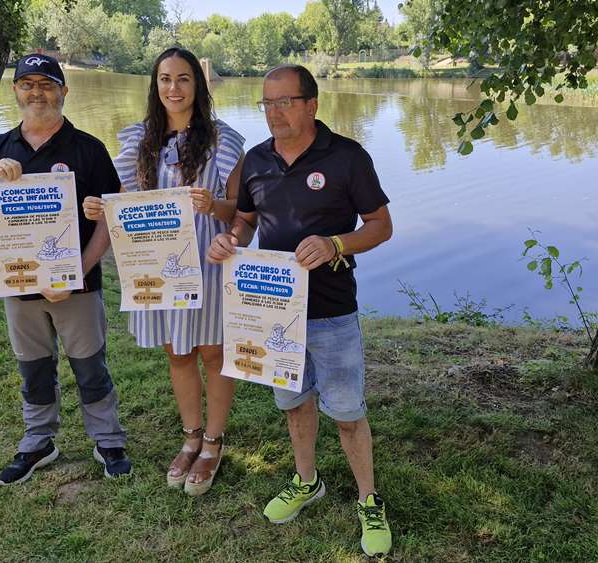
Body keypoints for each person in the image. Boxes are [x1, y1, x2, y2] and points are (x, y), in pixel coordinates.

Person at [207, 65, 394, 556]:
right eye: (266, 104)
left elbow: (380, 225)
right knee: (294, 404)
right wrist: (231, 240)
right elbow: (245, 221)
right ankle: (307, 481)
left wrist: (336, 243)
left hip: (331, 309)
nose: (274, 113)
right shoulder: (255, 160)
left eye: (284, 102)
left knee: (348, 412)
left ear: (312, 104)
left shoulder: (348, 157)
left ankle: (368, 499)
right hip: (273, 311)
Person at [0, 53, 130, 485]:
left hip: (76, 287)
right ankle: (39, 440)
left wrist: (78, 273)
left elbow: (110, 218)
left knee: (90, 367)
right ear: (16, 92)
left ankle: (108, 440)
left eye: (47, 84)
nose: (37, 92)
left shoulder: (89, 148)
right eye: (27, 84)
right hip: (20, 286)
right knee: (34, 369)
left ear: (64, 91)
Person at [83, 47, 245, 496]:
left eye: (184, 79)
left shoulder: (223, 139)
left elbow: (240, 211)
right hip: (159, 265)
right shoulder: (138, 139)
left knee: (213, 353)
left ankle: (213, 441)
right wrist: (101, 207)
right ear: (155, 86)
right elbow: (124, 203)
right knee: (177, 352)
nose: (174, 88)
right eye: (165, 79)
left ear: (198, 84)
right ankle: (191, 435)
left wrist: (214, 205)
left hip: (209, 262)